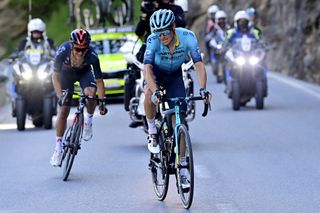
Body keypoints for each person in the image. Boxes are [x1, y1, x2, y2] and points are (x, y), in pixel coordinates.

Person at [144, 9, 211, 188]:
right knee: (149, 94)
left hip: (174, 76)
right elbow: (147, 69)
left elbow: (198, 65)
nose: (162, 37)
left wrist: (203, 89)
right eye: (158, 33)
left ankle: (182, 167)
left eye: (165, 32)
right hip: (156, 73)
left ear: (173, 27)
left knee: (179, 119)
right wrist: (156, 90)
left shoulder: (188, 37)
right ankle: (152, 131)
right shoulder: (152, 41)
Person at [50, 29, 108, 167]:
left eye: (84, 49)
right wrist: (60, 96)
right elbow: (55, 76)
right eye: (77, 49)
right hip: (65, 75)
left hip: (84, 73)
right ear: (71, 46)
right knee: (64, 110)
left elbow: (99, 81)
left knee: (90, 94)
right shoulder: (63, 51)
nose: (80, 52)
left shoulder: (93, 55)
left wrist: (102, 102)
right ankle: (58, 149)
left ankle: (88, 121)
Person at [126, 0, 186, 128]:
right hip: (151, 46)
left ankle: (184, 109)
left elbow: (182, 24)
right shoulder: (149, 9)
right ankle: (136, 107)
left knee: (186, 69)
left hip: (174, 45)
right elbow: (139, 32)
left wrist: (163, 9)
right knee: (132, 69)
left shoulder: (176, 9)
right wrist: (145, 14)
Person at [224, 10, 267, 96]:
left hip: (251, 55)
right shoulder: (231, 32)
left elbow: (261, 41)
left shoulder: (254, 31)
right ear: (236, 22)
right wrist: (223, 47)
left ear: (248, 22)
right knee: (229, 67)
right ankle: (228, 87)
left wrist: (264, 46)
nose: (242, 23)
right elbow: (225, 42)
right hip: (238, 56)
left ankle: (263, 88)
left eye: (244, 21)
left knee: (261, 67)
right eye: (240, 21)